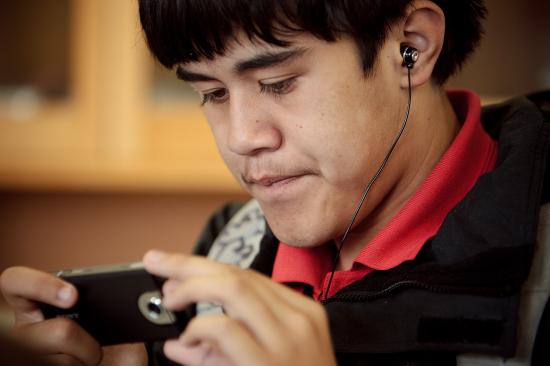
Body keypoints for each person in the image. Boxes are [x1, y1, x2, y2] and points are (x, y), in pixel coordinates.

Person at [1, 0, 549, 365]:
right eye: (212, 94)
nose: (241, 137)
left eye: (278, 83)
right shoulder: (228, 246)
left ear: (410, 47)